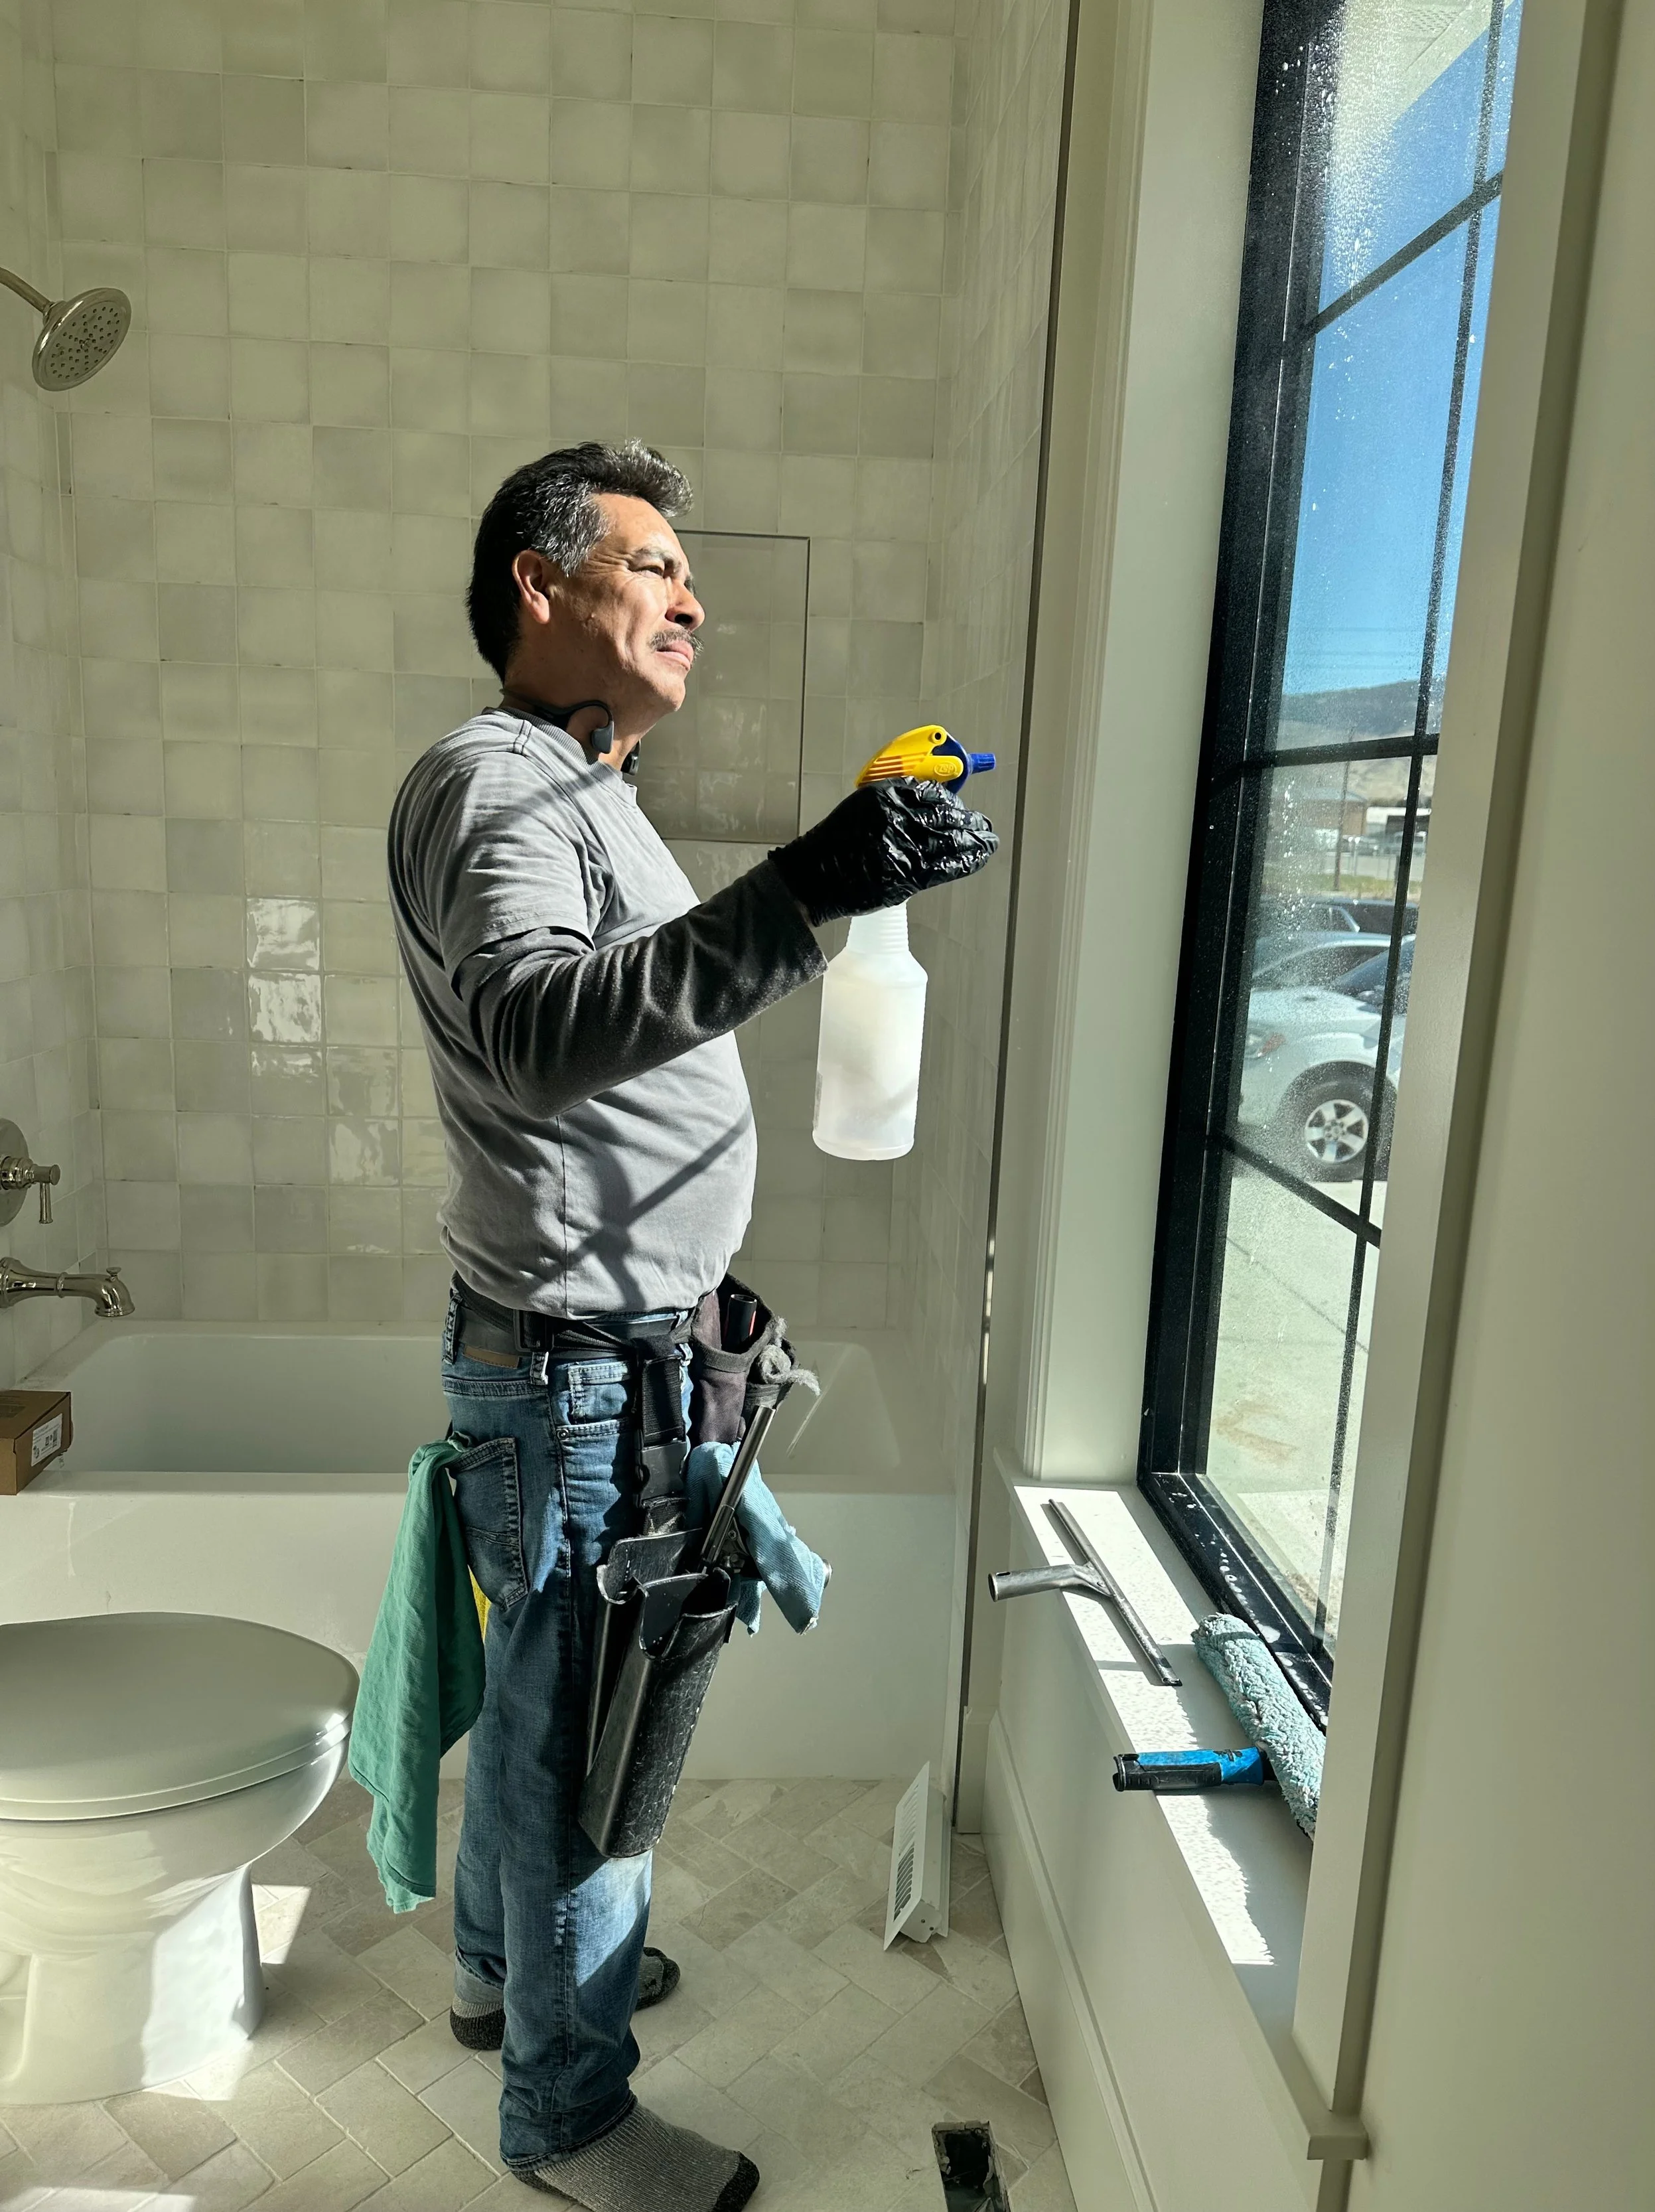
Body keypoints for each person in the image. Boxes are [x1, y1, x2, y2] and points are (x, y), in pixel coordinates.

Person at [387, 440, 997, 2209]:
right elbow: (526, 1029)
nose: (691, 595)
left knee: (542, 1708)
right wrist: (806, 882)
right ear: (535, 580)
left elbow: (601, 1064)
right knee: (593, 1752)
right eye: (649, 563)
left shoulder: (581, 787)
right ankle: (570, 2120)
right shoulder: (497, 780)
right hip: (578, 1376)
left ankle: (509, 1971)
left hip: (592, 1352)